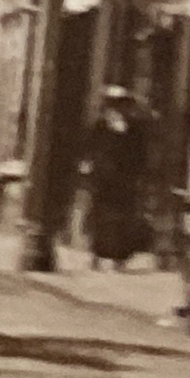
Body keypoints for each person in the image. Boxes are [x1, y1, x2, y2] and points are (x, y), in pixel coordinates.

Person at [80, 87, 149, 271]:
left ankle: (119, 257)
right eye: (112, 105)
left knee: (122, 219)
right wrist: (89, 165)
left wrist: (137, 176)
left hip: (124, 181)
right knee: (101, 217)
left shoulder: (134, 130)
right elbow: (90, 148)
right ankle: (97, 254)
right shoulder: (100, 126)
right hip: (103, 180)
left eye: (120, 106)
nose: (116, 110)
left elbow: (140, 155)